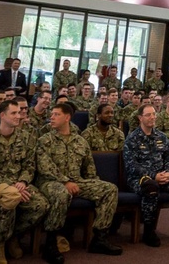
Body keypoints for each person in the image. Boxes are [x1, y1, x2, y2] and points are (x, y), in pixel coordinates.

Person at [36, 102, 122, 258]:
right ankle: (51, 243)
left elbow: (89, 168)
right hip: (50, 183)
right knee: (61, 193)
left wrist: (93, 185)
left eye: (56, 114)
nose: (52, 117)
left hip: (76, 181)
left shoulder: (80, 141)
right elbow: (45, 167)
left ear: (67, 117)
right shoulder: (45, 140)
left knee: (109, 189)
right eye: (52, 114)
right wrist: (64, 181)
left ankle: (99, 238)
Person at [123, 104, 169, 248]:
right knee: (151, 186)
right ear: (140, 118)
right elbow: (132, 166)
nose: (152, 117)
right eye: (148, 115)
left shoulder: (161, 137)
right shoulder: (132, 139)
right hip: (140, 179)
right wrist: (153, 176)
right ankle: (149, 231)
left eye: (154, 114)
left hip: (164, 177)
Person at [0, 98, 48, 264]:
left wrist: (23, 181)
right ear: (2, 115)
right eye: (13, 113)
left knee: (40, 205)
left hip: (20, 184)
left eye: (19, 112)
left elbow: (29, 164)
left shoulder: (26, 138)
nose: (19, 116)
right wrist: (9, 186)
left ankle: (12, 236)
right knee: (8, 200)